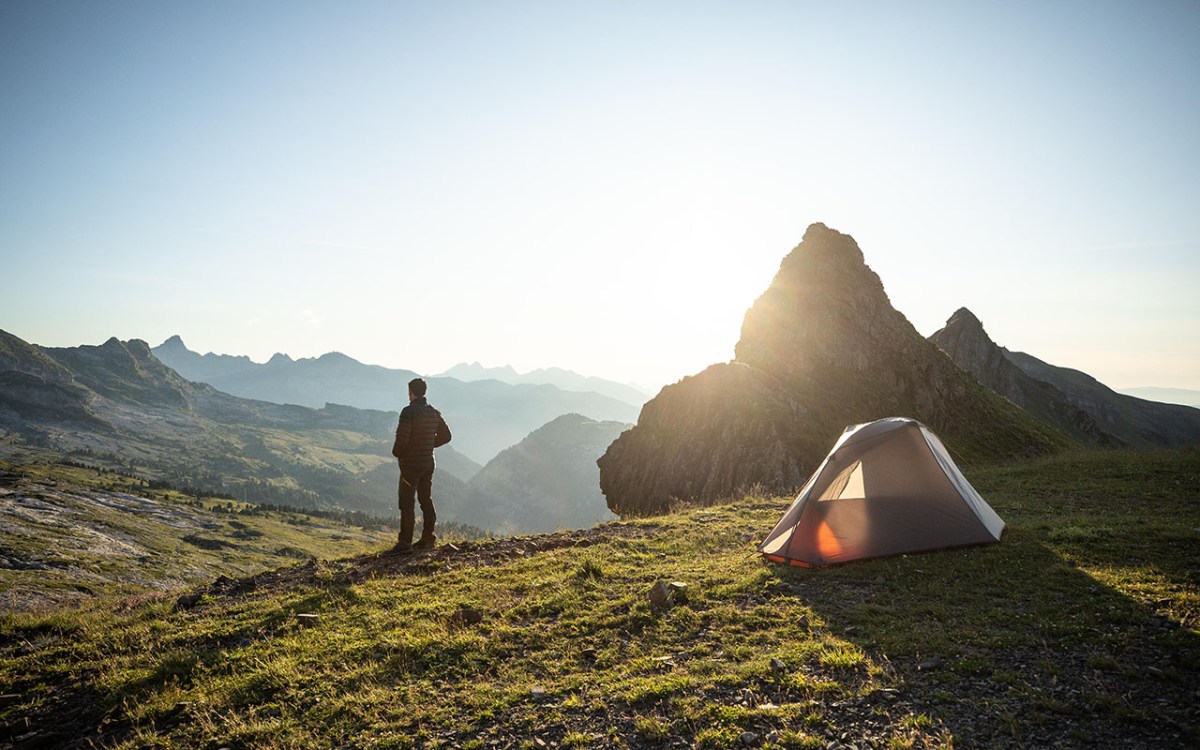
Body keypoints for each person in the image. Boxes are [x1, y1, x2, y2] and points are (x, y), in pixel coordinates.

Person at [389, 377, 451, 554]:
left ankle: (405, 543)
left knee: (406, 502)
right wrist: (429, 445)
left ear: (411, 392)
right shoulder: (433, 412)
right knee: (426, 499)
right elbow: (446, 436)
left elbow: (402, 440)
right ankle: (428, 537)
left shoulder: (408, 412)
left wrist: (398, 453)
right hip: (428, 463)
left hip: (410, 465)